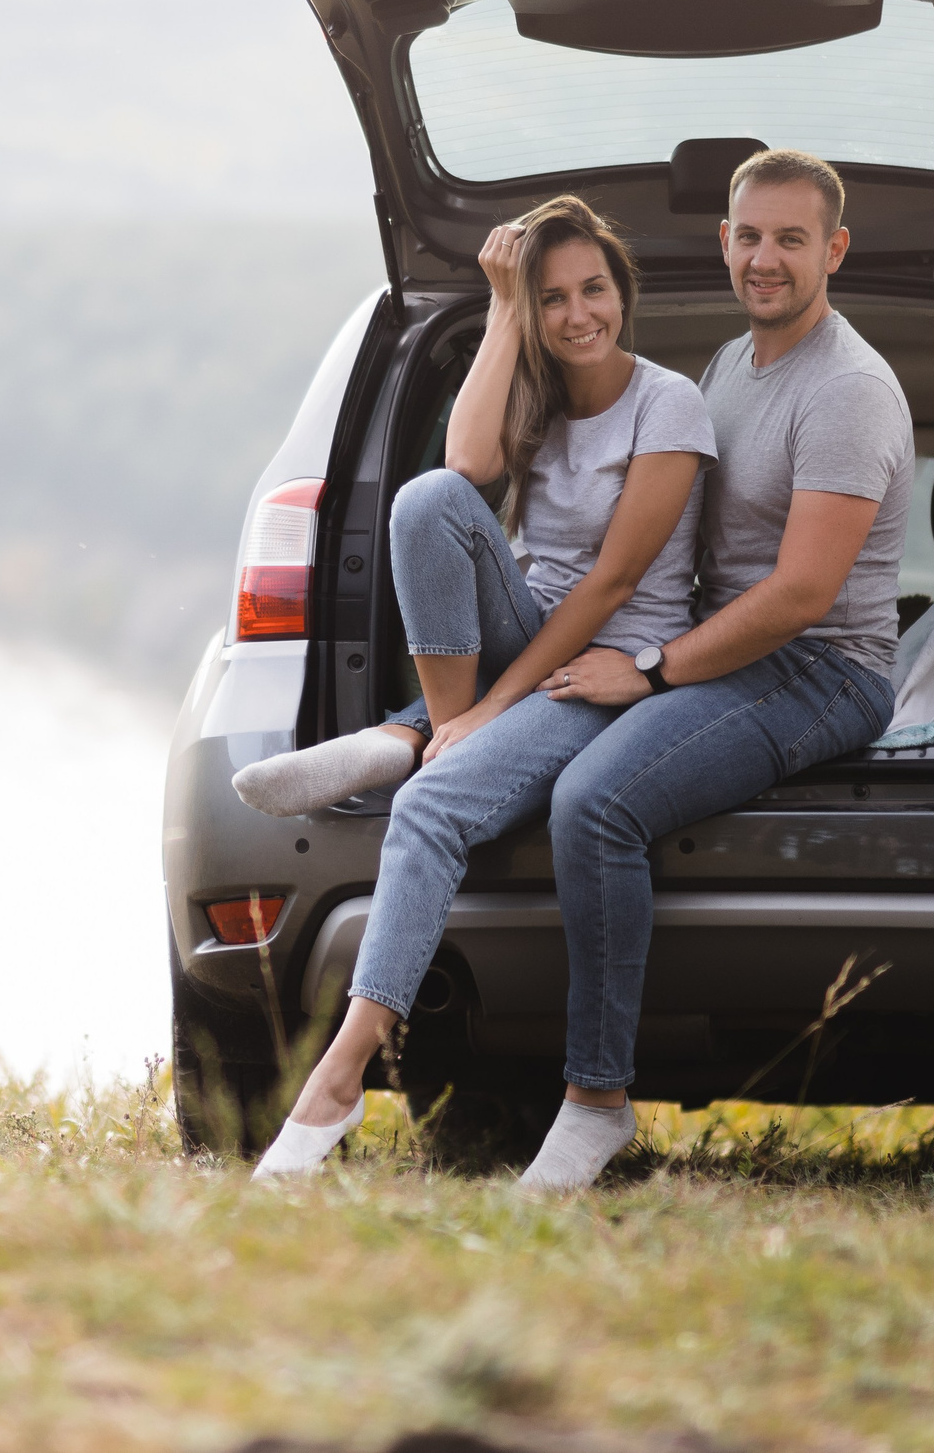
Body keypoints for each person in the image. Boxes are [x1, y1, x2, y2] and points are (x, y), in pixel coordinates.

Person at [232, 194, 716, 1179]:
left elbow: (613, 584)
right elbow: (463, 467)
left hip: (606, 667)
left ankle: (338, 1077)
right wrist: (498, 308)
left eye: (593, 291)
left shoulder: (670, 404)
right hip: (519, 641)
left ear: (622, 291)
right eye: (551, 300)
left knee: (434, 803)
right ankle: (430, 725)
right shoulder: (536, 390)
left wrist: (495, 713)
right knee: (430, 502)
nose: (577, 316)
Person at [512, 148, 914, 1192]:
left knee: (593, 805)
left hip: (820, 669)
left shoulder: (850, 391)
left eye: (790, 238)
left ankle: (596, 1103)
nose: (765, 258)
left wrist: (647, 671)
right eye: (748, 236)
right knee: (532, 734)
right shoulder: (730, 365)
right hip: (713, 645)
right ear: (721, 243)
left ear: (833, 249)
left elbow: (799, 597)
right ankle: (408, 741)